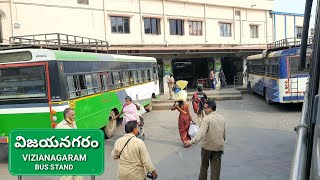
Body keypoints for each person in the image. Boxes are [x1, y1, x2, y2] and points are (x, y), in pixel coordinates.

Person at [185, 100, 225, 180]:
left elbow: (201, 133)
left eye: (205, 108)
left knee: (204, 167)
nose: (203, 109)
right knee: (216, 171)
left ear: (210, 109)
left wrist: (191, 141)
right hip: (218, 148)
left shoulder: (207, 119)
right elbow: (224, 134)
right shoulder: (222, 118)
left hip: (207, 148)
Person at [55, 108, 83, 180]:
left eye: (74, 115)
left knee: (78, 175)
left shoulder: (74, 124)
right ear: (66, 116)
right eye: (72, 115)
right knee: (66, 176)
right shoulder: (59, 127)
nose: (74, 116)